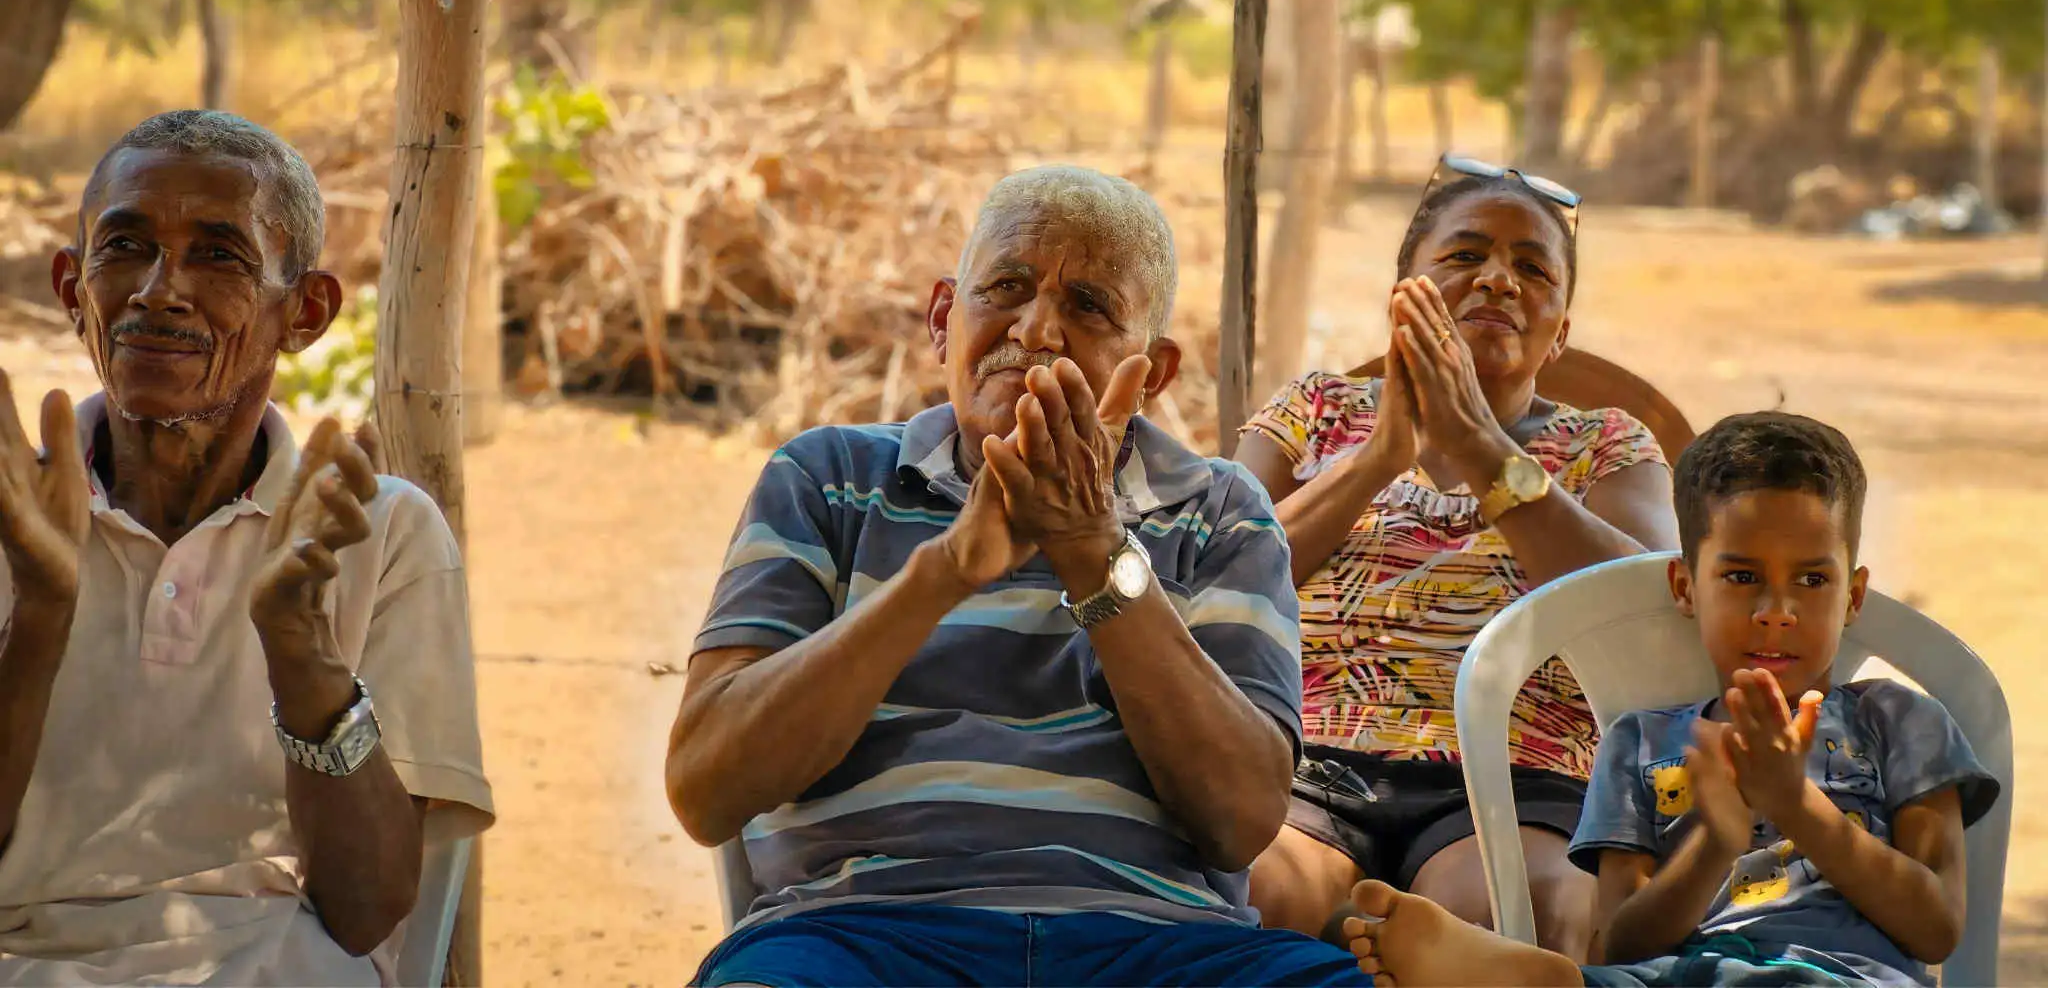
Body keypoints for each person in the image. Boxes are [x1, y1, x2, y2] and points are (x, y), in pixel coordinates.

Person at [667, 165, 1368, 987]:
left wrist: (1094, 551)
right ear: (943, 319)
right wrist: (944, 572)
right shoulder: (828, 479)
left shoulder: (1221, 511)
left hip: (1160, 945)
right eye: (1006, 288)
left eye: (1089, 306)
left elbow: (1242, 821)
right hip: (857, 936)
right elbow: (705, 788)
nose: (1036, 330)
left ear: (1153, 372)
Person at [0, 110, 493, 985]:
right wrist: (40, 615)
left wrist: (300, 649)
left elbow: (367, 911)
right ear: (73, 289)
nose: (160, 291)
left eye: (219, 256)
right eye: (126, 248)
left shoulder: (379, 533)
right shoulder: (15, 513)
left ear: (304, 313)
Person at [1339, 412, 1999, 987]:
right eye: (1742, 575)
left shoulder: (1898, 721)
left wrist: (1793, 804)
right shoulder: (1642, 743)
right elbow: (1622, 943)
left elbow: (1936, 928)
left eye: (1811, 580)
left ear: (1851, 596)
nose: (1776, 610)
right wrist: (1715, 841)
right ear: (1685, 587)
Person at [1236, 154, 1679, 956]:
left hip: (1517, 780)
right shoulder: (1314, 411)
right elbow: (1217, 579)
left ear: (1560, 333)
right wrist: (1377, 459)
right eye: (1466, 254)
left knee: (1515, 924)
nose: (1498, 280)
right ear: (1402, 298)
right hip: (1304, 769)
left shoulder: (1606, 444)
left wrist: (1481, 449)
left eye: (1532, 269)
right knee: (1246, 899)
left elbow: (1651, 621)